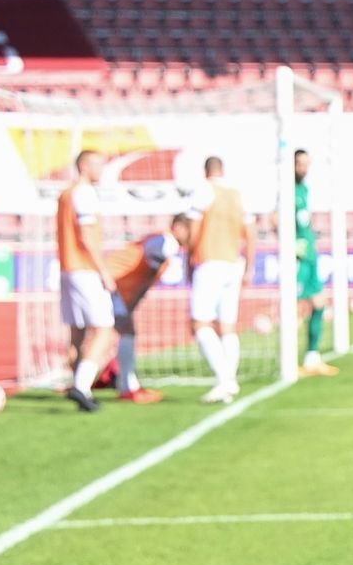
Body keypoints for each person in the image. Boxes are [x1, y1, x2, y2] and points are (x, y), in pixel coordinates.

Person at [102, 214, 192, 405]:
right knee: (117, 331)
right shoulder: (167, 243)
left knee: (121, 331)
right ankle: (122, 387)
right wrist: (134, 300)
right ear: (178, 227)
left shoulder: (162, 240)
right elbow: (149, 268)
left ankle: (126, 385)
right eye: (190, 229)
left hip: (116, 283)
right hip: (113, 283)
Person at [187, 155, 253, 403]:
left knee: (200, 323)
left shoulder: (204, 189)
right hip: (234, 263)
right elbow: (251, 232)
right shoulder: (237, 193)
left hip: (209, 260)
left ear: (206, 172)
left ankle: (224, 379)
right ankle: (230, 380)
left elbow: (193, 230)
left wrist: (190, 259)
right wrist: (249, 266)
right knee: (227, 326)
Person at [56, 150, 116, 413]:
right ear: (83, 166)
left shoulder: (66, 193)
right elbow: (86, 236)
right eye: (97, 164)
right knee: (104, 328)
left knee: (77, 332)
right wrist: (103, 270)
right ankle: (81, 386)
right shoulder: (84, 193)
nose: (101, 170)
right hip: (84, 269)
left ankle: (78, 386)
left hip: (68, 268)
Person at [292, 149, 337, 377]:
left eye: (306, 163)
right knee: (293, 308)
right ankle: (288, 361)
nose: (303, 167)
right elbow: (274, 218)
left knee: (319, 304)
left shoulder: (303, 189)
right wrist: (291, 244)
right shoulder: (288, 191)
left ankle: (311, 357)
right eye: (299, 163)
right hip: (298, 258)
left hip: (310, 256)